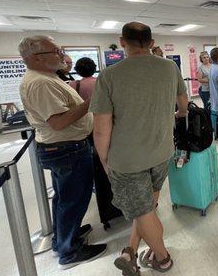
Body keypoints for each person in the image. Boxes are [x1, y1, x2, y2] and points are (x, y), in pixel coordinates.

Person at [90, 22, 188, 275]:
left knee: (143, 212)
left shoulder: (109, 75)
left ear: (123, 42)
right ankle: (130, 250)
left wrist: (104, 160)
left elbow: (101, 128)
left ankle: (162, 258)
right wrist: (176, 115)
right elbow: (183, 105)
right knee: (146, 208)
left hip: (127, 160)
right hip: (161, 152)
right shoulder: (170, 67)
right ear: (152, 42)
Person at [18, 36, 106, 269]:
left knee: (64, 197)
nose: (61, 54)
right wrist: (90, 103)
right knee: (73, 199)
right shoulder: (41, 83)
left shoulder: (47, 78)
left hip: (65, 147)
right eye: (55, 50)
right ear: (37, 57)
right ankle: (69, 251)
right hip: (66, 147)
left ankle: (65, 237)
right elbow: (58, 122)